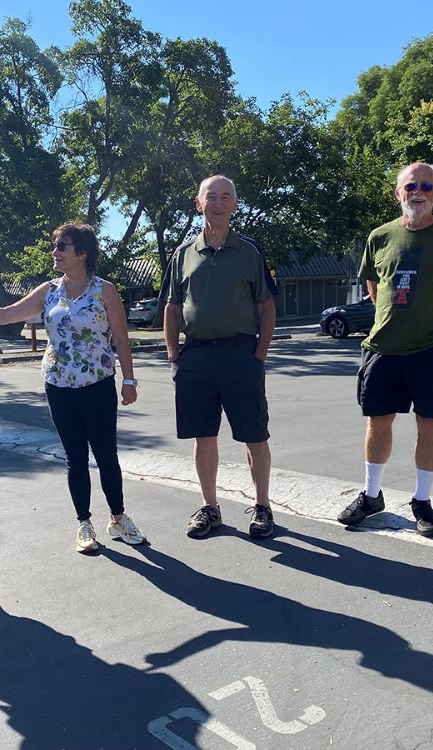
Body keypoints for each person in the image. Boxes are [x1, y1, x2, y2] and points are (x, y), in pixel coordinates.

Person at [0, 223, 145, 554]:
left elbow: (121, 338)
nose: (55, 251)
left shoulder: (104, 291)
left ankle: (118, 518)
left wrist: (130, 380)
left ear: (83, 253)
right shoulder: (48, 291)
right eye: (55, 245)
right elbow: (7, 314)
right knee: (75, 458)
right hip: (59, 385)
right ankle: (84, 524)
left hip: (98, 383)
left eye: (62, 246)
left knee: (106, 455)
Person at [336, 163, 433, 537]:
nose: (418, 191)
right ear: (398, 193)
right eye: (410, 185)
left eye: (427, 185)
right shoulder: (379, 236)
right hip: (383, 347)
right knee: (377, 422)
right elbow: (373, 286)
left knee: (429, 424)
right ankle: (371, 495)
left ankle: (422, 500)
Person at [163, 175, 277, 540]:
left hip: (240, 354)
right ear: (199, 203)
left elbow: (267, 305)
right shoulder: (182, 254)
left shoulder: (249, 252)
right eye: (211, 196)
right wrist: (173, 354)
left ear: (234, 206)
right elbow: (172, 306)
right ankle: (210, 508)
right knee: (203, 436)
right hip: (195, 356)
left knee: (254, 435)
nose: (218, 202)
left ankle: (262, 507)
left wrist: (259, 354)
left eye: (226, 197)